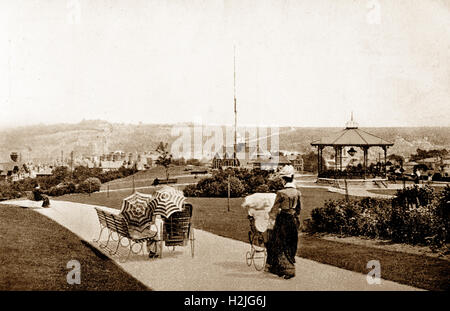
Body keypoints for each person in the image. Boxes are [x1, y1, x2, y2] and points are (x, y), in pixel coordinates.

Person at [266, 165, 301, 279]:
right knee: (291, 242)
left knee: (279, 242)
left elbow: (274, 209)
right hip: (293, 219)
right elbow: (299, 209)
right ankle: (289, 266)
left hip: (283, 219)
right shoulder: (297, 192)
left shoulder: (281, 193)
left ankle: (281, 268)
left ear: (284, 179)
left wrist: (270, 220)